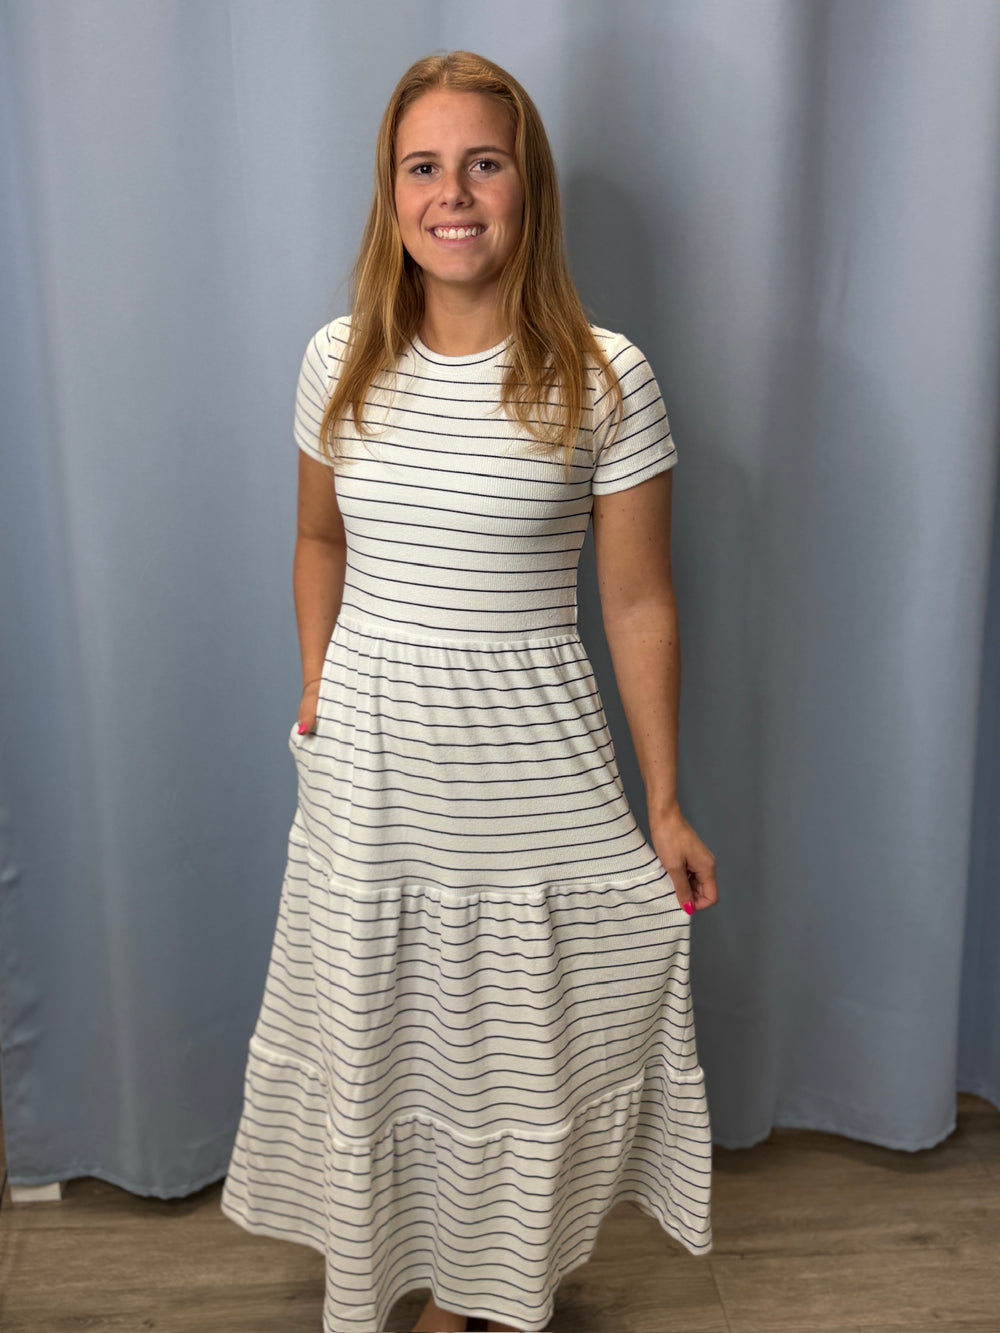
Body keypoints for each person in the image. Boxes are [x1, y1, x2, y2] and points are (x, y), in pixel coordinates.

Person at [221, 49, 719, 1333]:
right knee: (393, 1036)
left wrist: (663, 800)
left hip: (527, 767)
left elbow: (636, 602)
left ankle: (490, 1290)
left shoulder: (606, 378)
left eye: (482, 163)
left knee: (517, 1051)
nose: (455, 193)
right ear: (392, 197)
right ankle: (410, 1272)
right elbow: (318, 540)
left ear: (526, 188)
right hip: (373, 771)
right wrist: (318, 690)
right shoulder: (341, 357)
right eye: (423, 167)